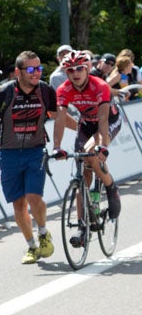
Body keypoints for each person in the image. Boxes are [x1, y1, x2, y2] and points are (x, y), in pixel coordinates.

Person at [0, 51, 58, 264]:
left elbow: (59, 115)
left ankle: (43, 232)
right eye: (31, 69)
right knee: (18, 205)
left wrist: (82, 126)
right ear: (18, 72)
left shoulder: (46, 91)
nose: (36, 73)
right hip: (9, 155)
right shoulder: (5, 93)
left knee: (34, 196)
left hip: (35, 151)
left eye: (39, 68)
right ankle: (31, 246)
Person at [51, 50, 122, 239]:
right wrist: (56, 147)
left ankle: (111, 187)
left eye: (79, 69)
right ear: (66, 72)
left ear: (87, 69)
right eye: (70, 70)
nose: (75, 73)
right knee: (82, 174)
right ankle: (82, 226)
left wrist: (103, 145)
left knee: (91, 153)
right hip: (86, 123)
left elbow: (103, 118)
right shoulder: (63, 89)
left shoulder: (99, 86)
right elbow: (60, 118)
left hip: (108, 121)